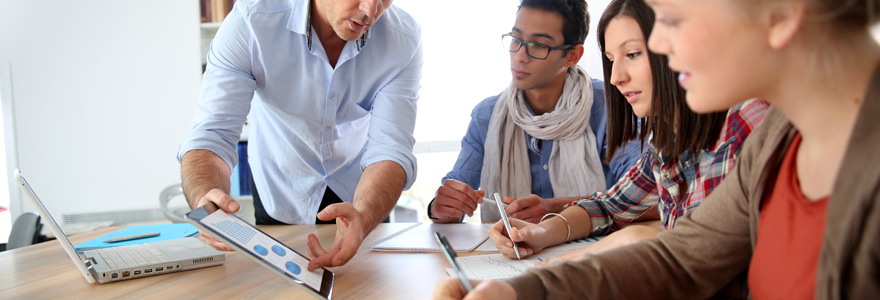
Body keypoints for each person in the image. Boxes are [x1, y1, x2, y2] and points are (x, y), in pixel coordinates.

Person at [433, 0, 880, 298]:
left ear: (780, 12)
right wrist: (517, 293)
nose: (662, 45)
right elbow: (681, 259)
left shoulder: (756, 127)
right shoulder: (777, 138)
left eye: (673, 17)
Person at [488, 0, 768, 262]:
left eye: (632, 54)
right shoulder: (666, 140)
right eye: (611, 59)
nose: (616, 77)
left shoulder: (745, 121)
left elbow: (717, 258)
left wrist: (640, 238)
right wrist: (542, 233)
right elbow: (610, 206)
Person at [177, 0, 422, 272]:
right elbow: (213, 133)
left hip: (362, 194)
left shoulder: (404, 39)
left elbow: (390, 148)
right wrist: (204, 197)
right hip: (280, 188)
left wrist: (365, 217)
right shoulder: (251, 21)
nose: (370, 11)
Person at [427, 0, 643, 224]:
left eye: (539, 45)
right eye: (516, 39)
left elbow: (640, 197)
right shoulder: (487, 116)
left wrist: (556, 209)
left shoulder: (610, 107)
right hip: (509, 255)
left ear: (572, 56)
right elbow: (453, 199)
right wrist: (442, 206)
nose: (520, 56)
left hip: (594, 251)